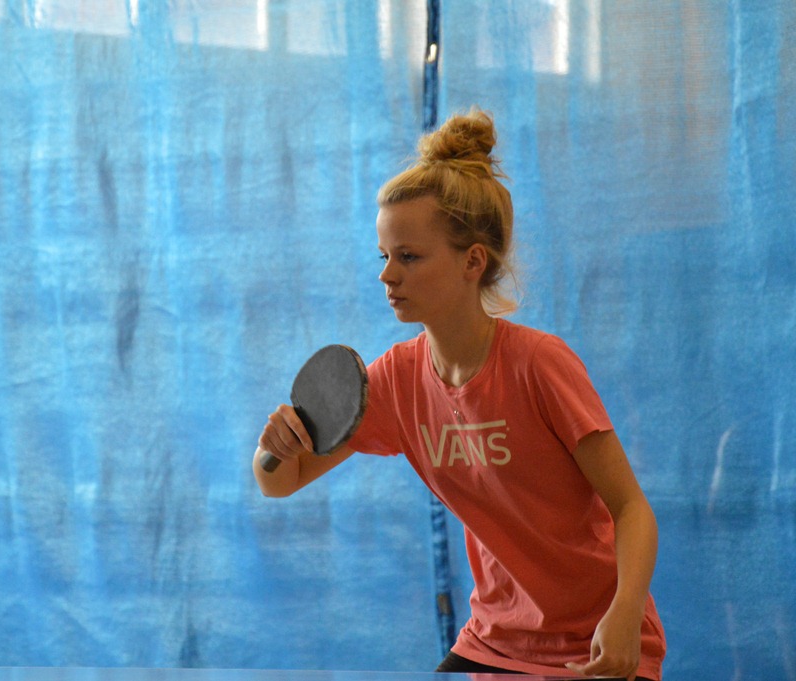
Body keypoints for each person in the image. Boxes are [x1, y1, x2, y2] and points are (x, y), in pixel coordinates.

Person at [252, 109, 666, 681]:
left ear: (473, 261)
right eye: (384, 256)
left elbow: (631, 510)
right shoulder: (395, 381)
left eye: (409, 256)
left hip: (599, 642)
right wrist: (273, 445)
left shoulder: (539, 365)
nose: (387, 275)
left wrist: (625, 614)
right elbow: (279, 480)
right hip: (498, 641)